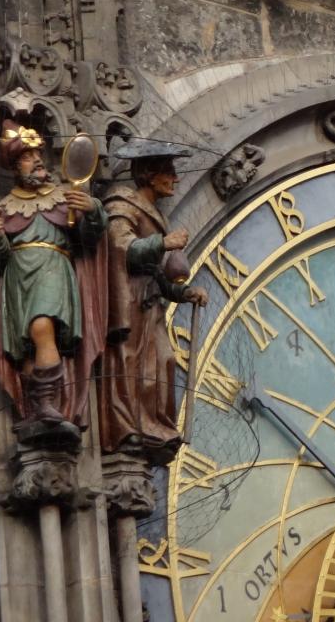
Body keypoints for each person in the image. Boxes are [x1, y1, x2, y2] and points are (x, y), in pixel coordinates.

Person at [0, 120, 107, 432]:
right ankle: (35, 409)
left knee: (41, 327)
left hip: (52, 270)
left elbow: (89, 241)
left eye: (37, 155)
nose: (35, 161)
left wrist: (92, 210)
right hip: (18, 279)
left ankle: (48, 401)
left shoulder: (62, 198)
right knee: (26, 348)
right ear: (14, 167)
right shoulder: (6, 207)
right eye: (26, 157)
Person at [98, 140, 207, 460]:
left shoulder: (154, 214)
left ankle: (154, 424)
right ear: (149, 175)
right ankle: (128, 426)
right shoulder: (122, 206)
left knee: (164, 359)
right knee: (130, 360)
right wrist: (163, 242)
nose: (175, 178)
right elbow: (121, 248)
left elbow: (158, 273)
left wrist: (183, 293)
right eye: (169, 171)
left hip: (150, 299)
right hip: (129, 297)